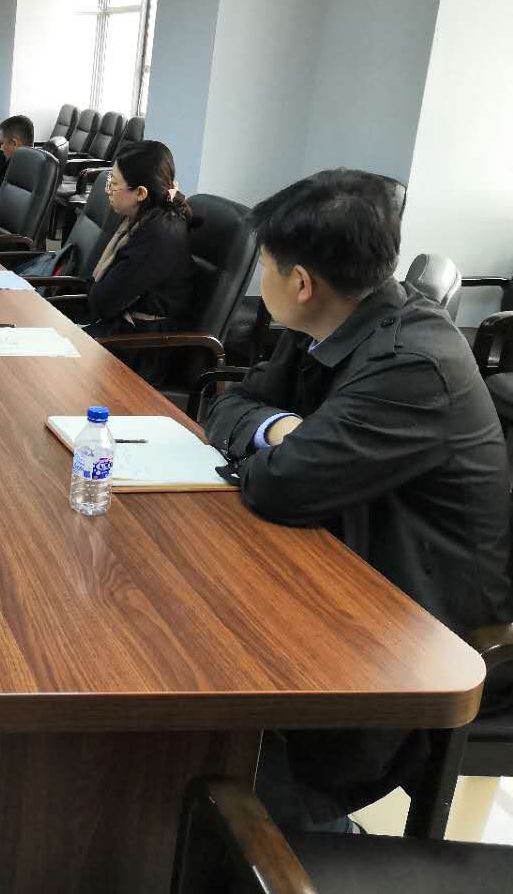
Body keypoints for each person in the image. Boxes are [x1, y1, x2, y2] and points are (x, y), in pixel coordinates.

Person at [203, 168, 512, 834]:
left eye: (265, 265)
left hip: (421, 624)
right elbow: (226, 406)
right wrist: (279, 430)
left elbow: (278, 487)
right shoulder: (329, 321)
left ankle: (306, 841)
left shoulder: (411, 363)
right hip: (352, 560)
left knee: (221, 750)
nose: (260, 278)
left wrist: (277, 449)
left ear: (300, 282)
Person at [82, 140, 194, 340]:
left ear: (141, 193)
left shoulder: (157, 236)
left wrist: (96, 291)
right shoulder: (143, 217)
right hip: (123, 327)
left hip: (141, 342)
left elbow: (103, 302)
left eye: (114, 184)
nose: (108, 190)